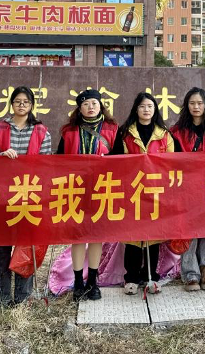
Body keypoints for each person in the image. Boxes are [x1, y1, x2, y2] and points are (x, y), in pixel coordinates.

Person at [0, 87, 52, 308]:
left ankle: (23, 296)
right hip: (3, 193)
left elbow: (46, 163)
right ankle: (1, 297)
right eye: (17, 101)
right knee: (3, 244)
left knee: (27, 244)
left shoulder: (41, 131)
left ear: (32, 105)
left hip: (30, 193)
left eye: (26, 102)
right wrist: (1, 156)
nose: (21, 105)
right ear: (11, 104)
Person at [56, 89, 119, 301]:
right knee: (77, 236)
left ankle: (93, 281)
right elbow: (59, 160)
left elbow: (120, 159)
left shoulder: (112, 129)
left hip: (102, 188)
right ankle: (78, 282)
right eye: (85, 104)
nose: (90, 107)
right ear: (79, 108)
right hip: (75, 189)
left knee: (96, 236)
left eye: (94, 103)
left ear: (101, 105)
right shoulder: (69, 131)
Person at [112, 93, 176, 295]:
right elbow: (118, 161)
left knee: (153, 235)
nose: (146, 110)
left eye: (150, 106)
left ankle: (151, 277)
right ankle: (131, 277)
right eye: (142, 106)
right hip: (132, 189)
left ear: (155, 109)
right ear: (136, 109)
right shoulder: (125, 133)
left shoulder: (164, 134)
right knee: (132, 235)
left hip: (156, 190)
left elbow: (172, 162)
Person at [171, 88, 205, 291]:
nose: (196, 107)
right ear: (186, 105)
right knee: (188, 229)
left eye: (200, 103)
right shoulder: (177, 131)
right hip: (186, 188)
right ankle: (191, 273)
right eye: (192, 103)